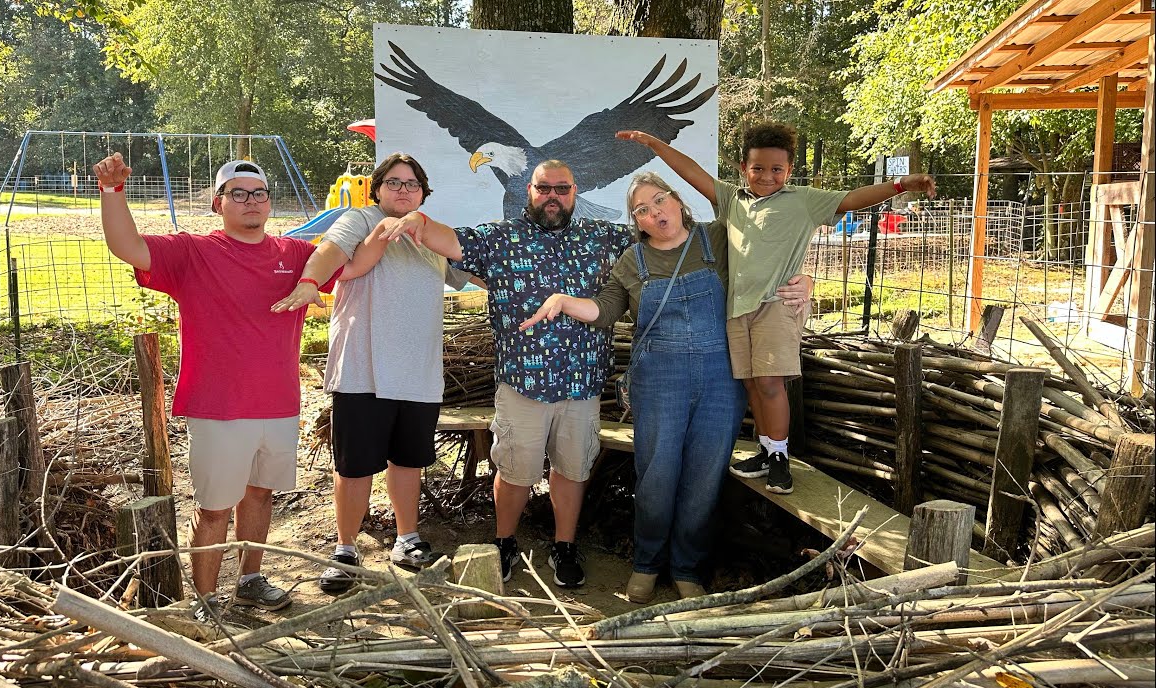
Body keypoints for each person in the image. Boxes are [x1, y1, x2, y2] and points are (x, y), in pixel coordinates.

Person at [368, 159, 815, 589]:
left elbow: (723, 244)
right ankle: (505, 542)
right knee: (517, 469)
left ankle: (569, 548)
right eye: (544, 187)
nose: (553, 195)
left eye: (562, 188)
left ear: (574, 193)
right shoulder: (501, 238)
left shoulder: (606, 238)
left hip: (583, 383)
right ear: (530, 191)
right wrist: (418, 225)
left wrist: (802, 278)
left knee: (573, 470)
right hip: (523, 380)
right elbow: (453, 241)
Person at [619, 124, 936, 494]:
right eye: (757, 168)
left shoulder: (803, 200)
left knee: (770, 382)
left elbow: (853, 197)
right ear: (743, 167)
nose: (766, 176)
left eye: (776, 169)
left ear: (788, 170)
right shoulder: (731, 199)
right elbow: (692, 172)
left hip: (776, 304)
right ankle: (767, 448)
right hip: (738, 308)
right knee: (751, 382)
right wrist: (655, 143)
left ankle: (780, 457)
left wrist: (901, 185)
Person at [93, 154, 340, 620]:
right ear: (218, 203)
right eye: (238, 193)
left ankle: (249, 580)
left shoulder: (296, 256)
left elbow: (350, 251)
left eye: (259, 193)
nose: (251, 201)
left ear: (270, 203)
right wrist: (112, 192)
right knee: (213, 511)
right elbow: (127, 246)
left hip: (281, 404)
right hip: (218, 406)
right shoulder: (193, 252)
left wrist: (387, 215)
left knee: (261, 494)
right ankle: (204, 602)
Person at [520, 172, 745, 602]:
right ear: (637, 222)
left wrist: (800, 281)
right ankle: (646, 563)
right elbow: (604, 311)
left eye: (659, 200)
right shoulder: (631, 262)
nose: (654, 212)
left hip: (721, 379)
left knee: (705, 476)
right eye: (642, 209)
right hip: (659, 380)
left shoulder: (715, 239)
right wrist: (564, 301)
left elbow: (765, 255)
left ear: (677, 201)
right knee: (657, 475)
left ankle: (686, 568)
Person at [272, 153, 471, 593]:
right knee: (354, 465)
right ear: (378, 189)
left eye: (412, 183)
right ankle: (344, 549)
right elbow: (329, 254)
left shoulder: (429, 233)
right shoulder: (358, 219)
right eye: (394, 182)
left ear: (423, 192)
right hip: (362, 369)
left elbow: (473, 269)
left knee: (409, 461)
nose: (403, 190)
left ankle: (407, 539)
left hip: (418, 371)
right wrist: (309, 280)